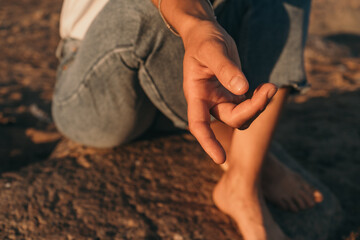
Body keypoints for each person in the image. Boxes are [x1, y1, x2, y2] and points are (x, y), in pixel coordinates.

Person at [52, 0, 323, 239]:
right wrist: (196, 24)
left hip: (176, 75)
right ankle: (246, 155)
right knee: (148, 10)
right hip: (101, 79)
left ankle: (243, 180)